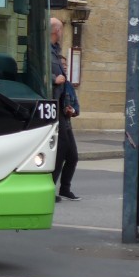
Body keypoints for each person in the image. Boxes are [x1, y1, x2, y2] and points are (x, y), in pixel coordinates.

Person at [50, 17, 79, 201]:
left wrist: (71, 109)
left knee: (72, 154)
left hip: (62, 109)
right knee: (59, 152)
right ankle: (49, 189)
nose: (61, 33)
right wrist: (53, 78)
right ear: (57, 31)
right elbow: (35, 70)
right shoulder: (45, 50)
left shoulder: (55, 52)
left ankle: (64, 188)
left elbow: (69, 94)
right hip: (52, 107)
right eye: (60, 30)